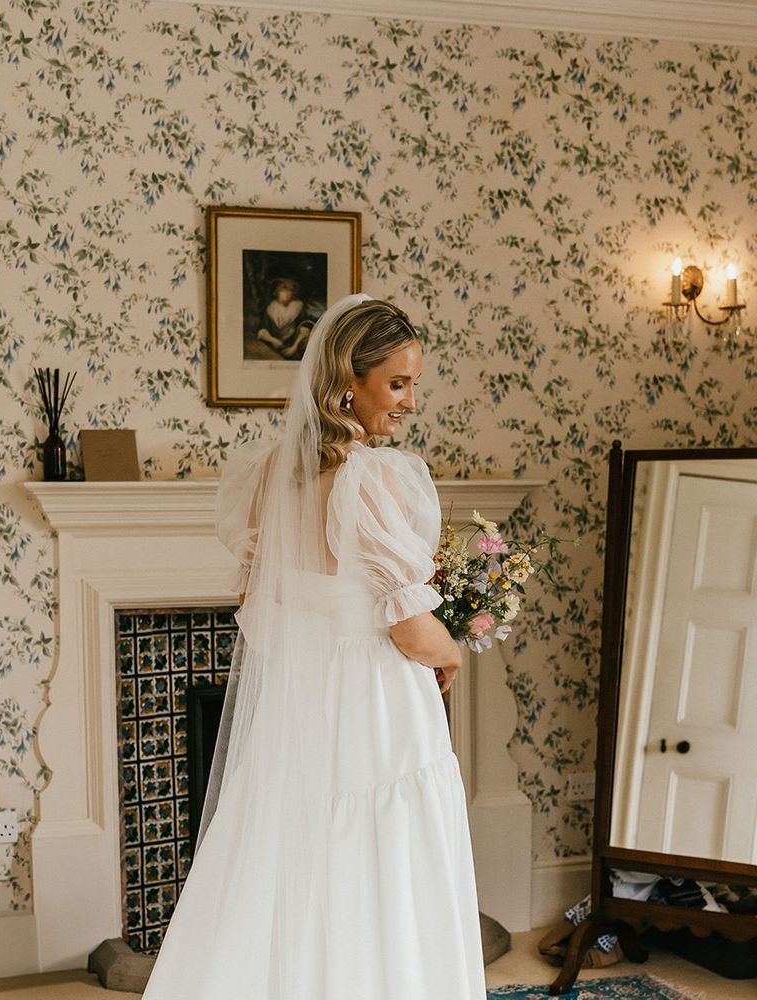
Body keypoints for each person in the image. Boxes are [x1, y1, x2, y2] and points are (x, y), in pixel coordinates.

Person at [141, 294, 486, 999]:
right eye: (397, 383)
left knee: (298, 860)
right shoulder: (373, 477)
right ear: (345, 381)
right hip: (376, 706)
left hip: (300, 704)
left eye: (413, 382)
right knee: (383, 860)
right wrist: (451, 654)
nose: (410, 401)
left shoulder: (271, 474)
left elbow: (254, 606)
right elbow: (411, 628)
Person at [255, 276, 317, 359]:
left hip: (294, 348)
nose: (289, 293)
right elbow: (263, 328)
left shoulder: (298, 307)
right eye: (284, 288)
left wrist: (294, 347)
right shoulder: (270, 308)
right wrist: (273, 340)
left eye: (291, 289)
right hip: (273, 348)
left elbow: (305, 327)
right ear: (275, 291)